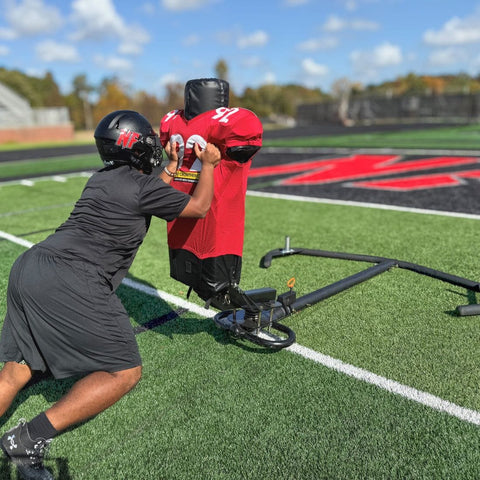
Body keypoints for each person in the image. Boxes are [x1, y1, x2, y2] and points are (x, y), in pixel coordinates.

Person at [0, 109, 220, 480]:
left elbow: (150, 192)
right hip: (72, 278)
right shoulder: (140, 185)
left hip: (31, 266)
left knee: (15, 372)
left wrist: (170, 166)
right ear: (136, 148)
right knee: (124, 371)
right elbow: (198, 207)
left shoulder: (102, 179)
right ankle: (26, 439)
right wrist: (209, 165)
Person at [159, 78, 263, 307]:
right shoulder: (229, 123)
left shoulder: (173, 122)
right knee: (215, 277)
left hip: (180, 219)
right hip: (210, 224)